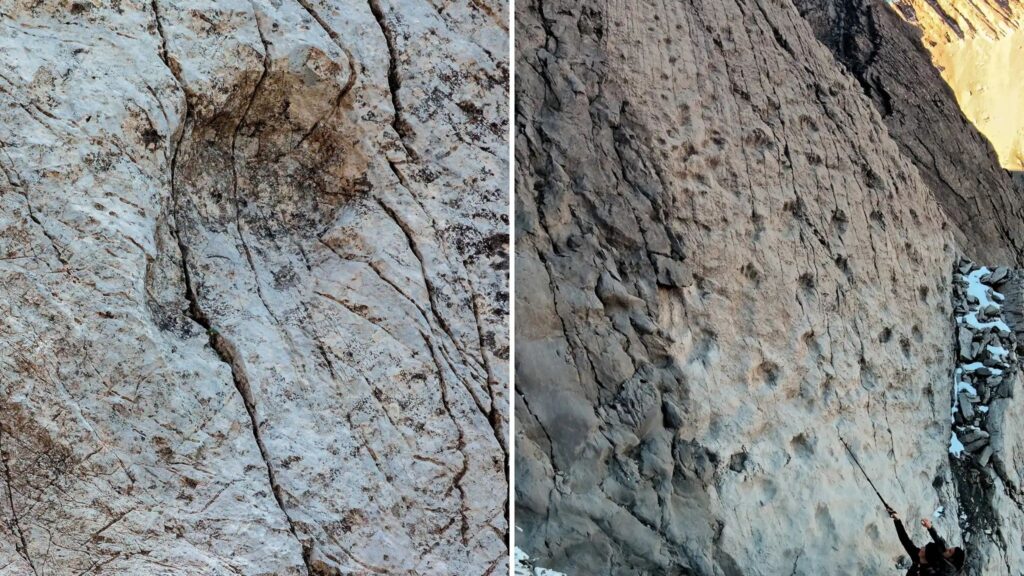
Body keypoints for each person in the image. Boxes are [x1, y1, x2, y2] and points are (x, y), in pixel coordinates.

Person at [888, 507, 965, 575]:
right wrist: (897, 520)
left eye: (950, 551)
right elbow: (905, 540)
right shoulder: (920, 556)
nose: (921, 548)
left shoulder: (933, 571)